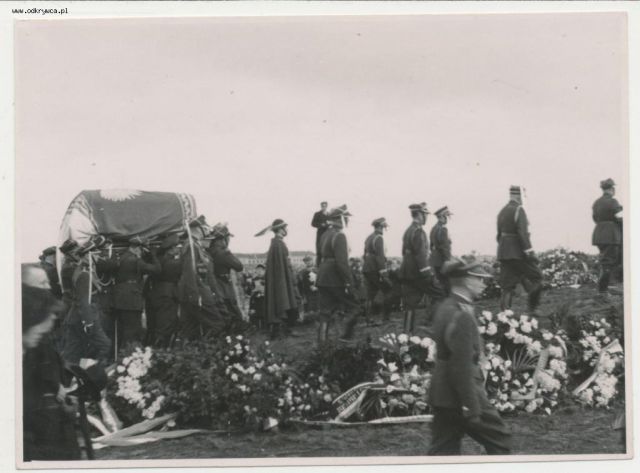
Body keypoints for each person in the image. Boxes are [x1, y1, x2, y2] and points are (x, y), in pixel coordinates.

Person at [428, 258, 511, 456]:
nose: (484, 284)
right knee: (500, 439)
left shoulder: (445, 307)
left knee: (443, 453)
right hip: (462, 394)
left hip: (442, 394)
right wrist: (471, 405)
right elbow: (461, 365)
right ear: (466, 280)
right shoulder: (462, 315)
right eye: (479, 279)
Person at [22, 264, 81, 461]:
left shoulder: (40, 320)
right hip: (43, 415)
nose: (48, 287)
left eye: (48, 282)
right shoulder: (30, 328)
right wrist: (56, 388)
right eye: (41, 283)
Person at [59, 241, 112, 366]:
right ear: (88, 256)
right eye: (95, 254)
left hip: (77, 316)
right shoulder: (82, 273)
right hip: (83, 315)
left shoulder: (84, 270)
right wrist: (88, 322)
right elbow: (83, 300)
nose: (98, 256)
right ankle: (94, 372)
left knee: (74, 351)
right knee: (104, 345)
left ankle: (75, 372)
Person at [316, 205, 360, 343]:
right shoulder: (339, 235)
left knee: (325, 311)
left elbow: (319, 256)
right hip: (335, 277)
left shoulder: (325, 234)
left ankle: (322, 343)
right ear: (340, 219)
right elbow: (342, 263)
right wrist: (349, 283)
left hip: (323, 276)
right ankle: (345, 336)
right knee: (354, 306)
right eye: (346, 218)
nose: (347, 221)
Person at [178, 216, 227, 340]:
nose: (206, 230)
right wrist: (194, 295)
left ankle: (190, 350)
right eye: (204, 228)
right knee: (216, 324)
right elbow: (190, 273)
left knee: (190, 328)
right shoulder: (191, 246)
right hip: (197, 292)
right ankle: (211, 349)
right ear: (197, 229)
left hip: (193, 292)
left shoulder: (195, 246)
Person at [496, 186, 543, 314]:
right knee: (537, 277)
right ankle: (533, 309)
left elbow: (498, 235)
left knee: (507, 286)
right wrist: (530, 252)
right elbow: (523, 233)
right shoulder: (519, 209)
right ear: (519, 196)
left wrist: (505, 249)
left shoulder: (502, 211)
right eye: (523, 196)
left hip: (504, 252)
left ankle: (505, 314)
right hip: (518, 252)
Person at [399, 202, 445, 333]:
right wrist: (428, 274)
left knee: (410, 305)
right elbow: (421, 255)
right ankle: (431, 323)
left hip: (407, 273)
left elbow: (404, 252)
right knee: (441, 294)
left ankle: (407, 334)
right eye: (425, 215)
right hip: (419, 273)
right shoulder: (419, 232)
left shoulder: (408, 230)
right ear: (419, 214)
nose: (426, 217)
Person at [109, 237, 161, 349]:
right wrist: (152, 254)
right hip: (131, 300)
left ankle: (121, 354)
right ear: (138, 248)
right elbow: (157, 269)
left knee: (122, 330)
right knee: (132, 331)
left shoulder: (121, 257)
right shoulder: (135, 260)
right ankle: (129, 355)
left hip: (119, 298)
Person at [256, 219, 300, 339]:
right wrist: (290, 279)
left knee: (281, 301)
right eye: (285, 228)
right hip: (281, 280)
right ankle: (280, 330)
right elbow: (283, 266)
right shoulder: (278, 244)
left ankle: (282, 329)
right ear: (280, 229)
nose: (286, 230)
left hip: (281, 279)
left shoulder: (276, 244)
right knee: (282, 301)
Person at [145, 233, 183, 347]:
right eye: (177, 247)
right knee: (166, 326)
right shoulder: (172, 263)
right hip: (167, 296)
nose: (178, 249)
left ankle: (150, 349)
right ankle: (160, 351)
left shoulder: (157, 260)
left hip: (154, 294)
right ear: (171, 248)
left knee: (154, 325)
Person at [591, 178, 623, 296]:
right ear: (611, 189)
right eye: (613, 188)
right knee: (609, 262)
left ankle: (605, 288)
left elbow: (595, 218)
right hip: (611, 235)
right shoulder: (613, 202)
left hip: (599, 234)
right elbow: (621, 218)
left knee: (605, 261)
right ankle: (603, 290)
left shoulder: (596, 203)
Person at [208, 223, 245, 320]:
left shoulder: (209, 250)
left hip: (213, 286)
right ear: (224, 238)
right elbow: (239, 266)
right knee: (232, 310)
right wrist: (228, 251)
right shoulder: (224, 253)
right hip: (224, 286)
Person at [362, 217, 393, 324]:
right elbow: (380, 256)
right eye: (383, 227)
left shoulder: (369, 237)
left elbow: (364, 254)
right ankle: (385, 318)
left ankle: (369, 319)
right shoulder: (379, 238)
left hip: (367, 268)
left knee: (370, 294)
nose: (384, 229)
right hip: (375, 268)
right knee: (388, 290)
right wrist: (383, 273)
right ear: (380, 227)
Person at [430, 206, 453, 296]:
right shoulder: (443, 229)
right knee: (447, 286)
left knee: (440, 284)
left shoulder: (434, 228)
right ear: (442, 216)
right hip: (442, 260)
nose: (447, 219)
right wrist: (447, 260)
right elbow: (445, 247)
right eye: (446, 216)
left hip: (435, 260)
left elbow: (431, 246)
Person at [311, 201, 330, 267]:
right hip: (320, 233)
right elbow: (313, 223)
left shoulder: (329, 214)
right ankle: (318, 265)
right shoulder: (317, 214)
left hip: (328, 233)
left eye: (325, 206)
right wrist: (321, 225)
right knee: (319, 249)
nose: (324, 207)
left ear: (327, 206)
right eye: (322, 206)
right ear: (321, 206)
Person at [249, 264, 267, 329]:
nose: (259, 272)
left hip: (265, 299)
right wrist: (254, 291)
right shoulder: (254, 279)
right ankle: (256, 327)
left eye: (261, 270)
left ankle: (264, 327)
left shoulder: (267, 279)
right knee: (256, 313)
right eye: (257, 270)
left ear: (264, 271)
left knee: (264, 313)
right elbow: (251, 289)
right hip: (256, 299)